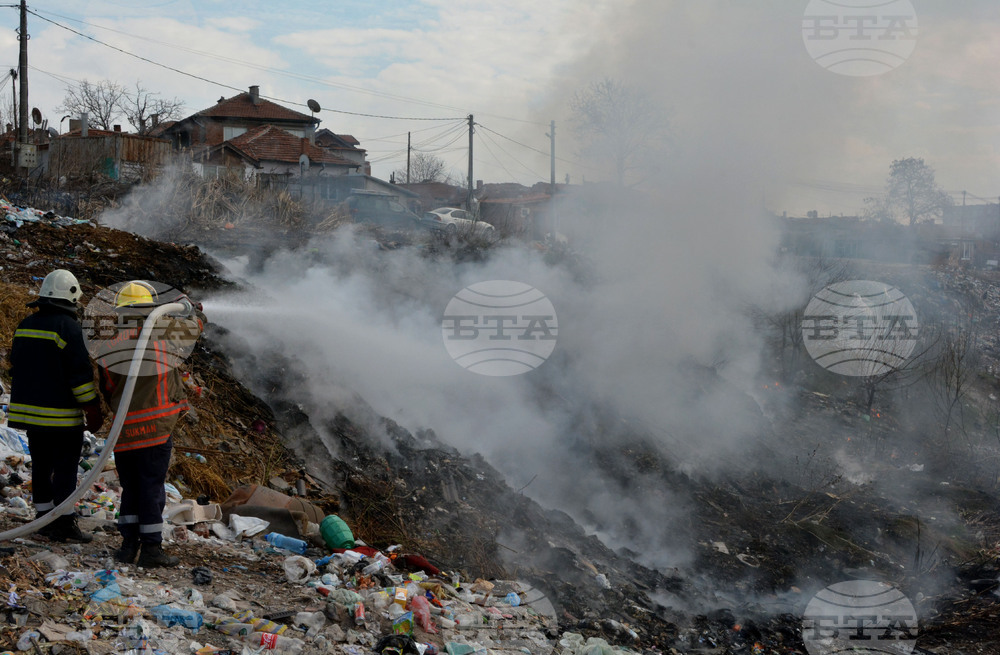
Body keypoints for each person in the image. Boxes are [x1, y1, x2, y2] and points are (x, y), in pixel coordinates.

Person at [97, 280, 204, 568]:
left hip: (124, 430)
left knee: (131, 488)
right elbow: (195, 329)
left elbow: (107, 389)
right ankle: (152, 550)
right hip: (155, 427)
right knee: (151, 488)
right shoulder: (162, 331)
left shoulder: (108, 344)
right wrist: (190, 309)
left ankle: (128, 546)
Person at [8, 269, 104, 543]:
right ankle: (63, 523)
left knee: (40, 466)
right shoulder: (69, 329)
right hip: (61, 418)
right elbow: (80, 378)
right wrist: (92, 409)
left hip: (30, 416)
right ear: (71, 297)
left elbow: (16, 365)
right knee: (64, 469)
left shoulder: (25, 325)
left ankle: (43, 518)